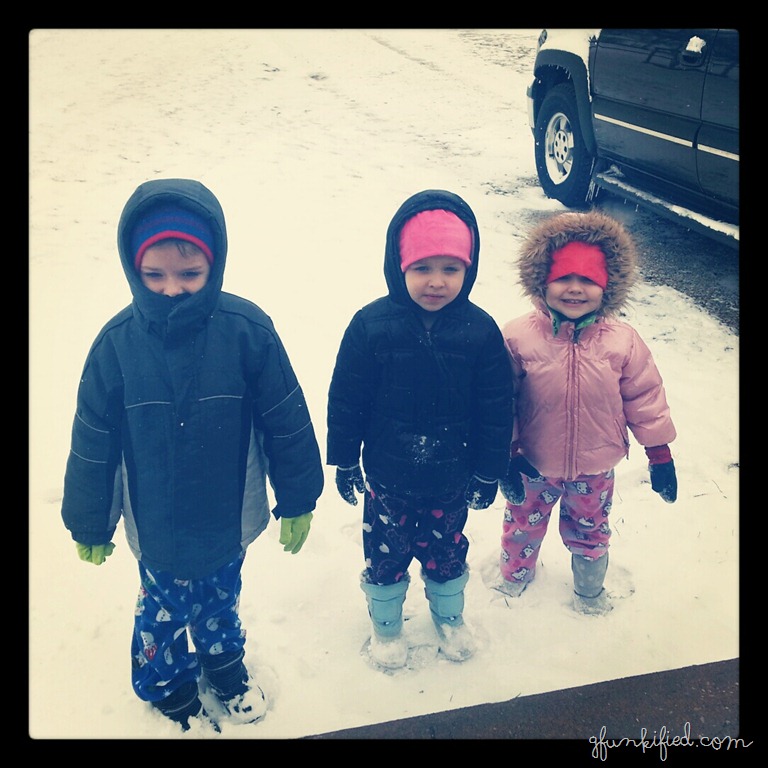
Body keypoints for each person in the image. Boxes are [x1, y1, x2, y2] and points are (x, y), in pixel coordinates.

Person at [61, 178, 324, 732]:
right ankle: (166, 681)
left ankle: (222, 660)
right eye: (154, 275)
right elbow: (94, 441)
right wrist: (90, 520)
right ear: (133, 268)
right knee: (161, 613)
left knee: (220, 597)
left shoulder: (247, 332)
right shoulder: (116, 345)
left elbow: (284, 418)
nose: (172, 289)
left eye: (189, 274)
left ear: (215, 264)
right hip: (156, 522)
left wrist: (299, 495)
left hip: (229, 512)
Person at [327, 189, 514, 670]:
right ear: (399, 267)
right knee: (385, 557)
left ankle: (449, 617)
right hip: (387, 478)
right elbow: (347, 398)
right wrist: (344, 458)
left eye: (451, 268)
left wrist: (488, 471)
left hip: (451, 478)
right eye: (422, 268)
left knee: (446, 552)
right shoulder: (371, 326)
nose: (436, 281)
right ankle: (387, 626)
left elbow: (496, 408)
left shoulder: (480, 332)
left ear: (468, 269)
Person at [496, 210, 678, 615]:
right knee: (522, 523)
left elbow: (645, 397)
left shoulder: (622, 341)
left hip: (595, 466)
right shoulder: (517, 337)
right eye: (563, 277)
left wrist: (659, 454)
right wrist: (507, 452)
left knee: (591, 530)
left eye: (589, 280)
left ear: (607, 286)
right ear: (541, 281)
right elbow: (500, 401)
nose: (575, 289)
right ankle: (514, 575)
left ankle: (590, 589)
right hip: (531, 463)